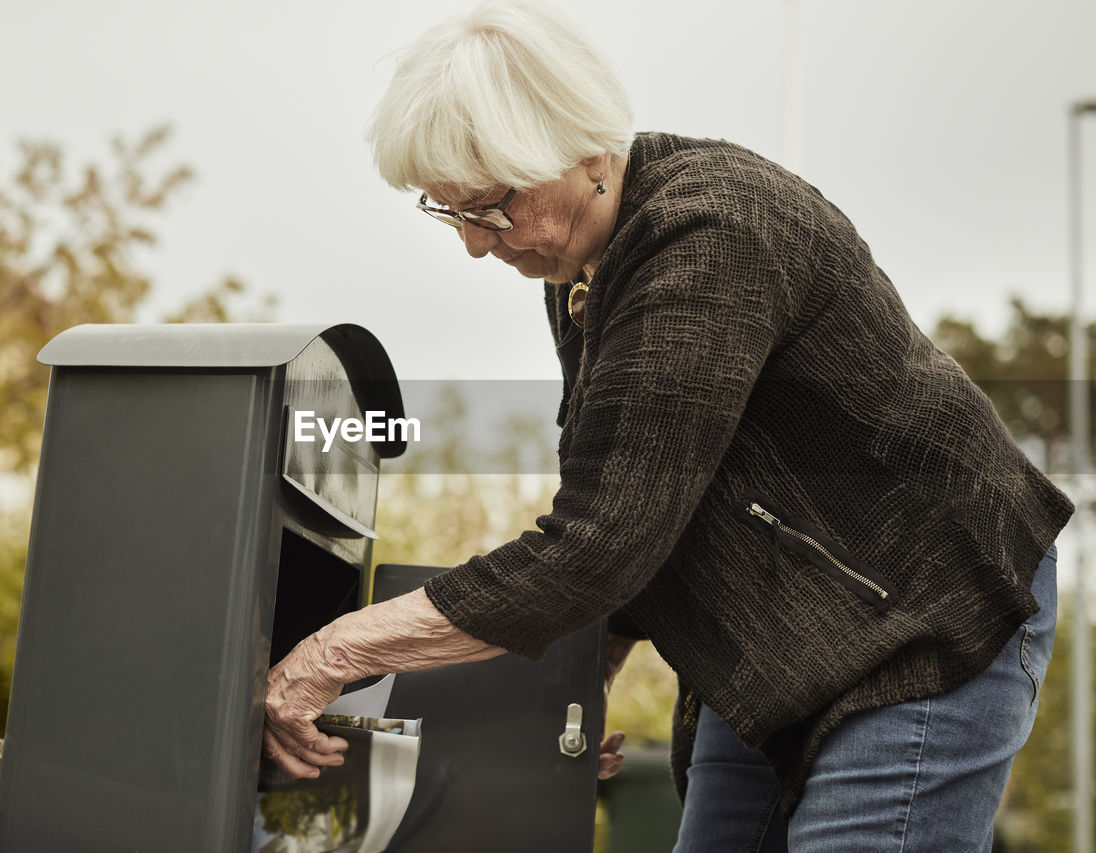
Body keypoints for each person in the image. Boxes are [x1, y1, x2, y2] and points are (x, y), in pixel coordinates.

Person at [262, 2, 1073, 849]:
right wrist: (585, 672)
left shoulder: (707, 238)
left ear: (582, 149)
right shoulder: (582, 260)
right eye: (449, 211)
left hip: (922, 611)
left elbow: (598, 543)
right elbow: (648, 494)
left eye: (491, 207)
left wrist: (334, 651)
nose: (474, 244)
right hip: (781, 636)